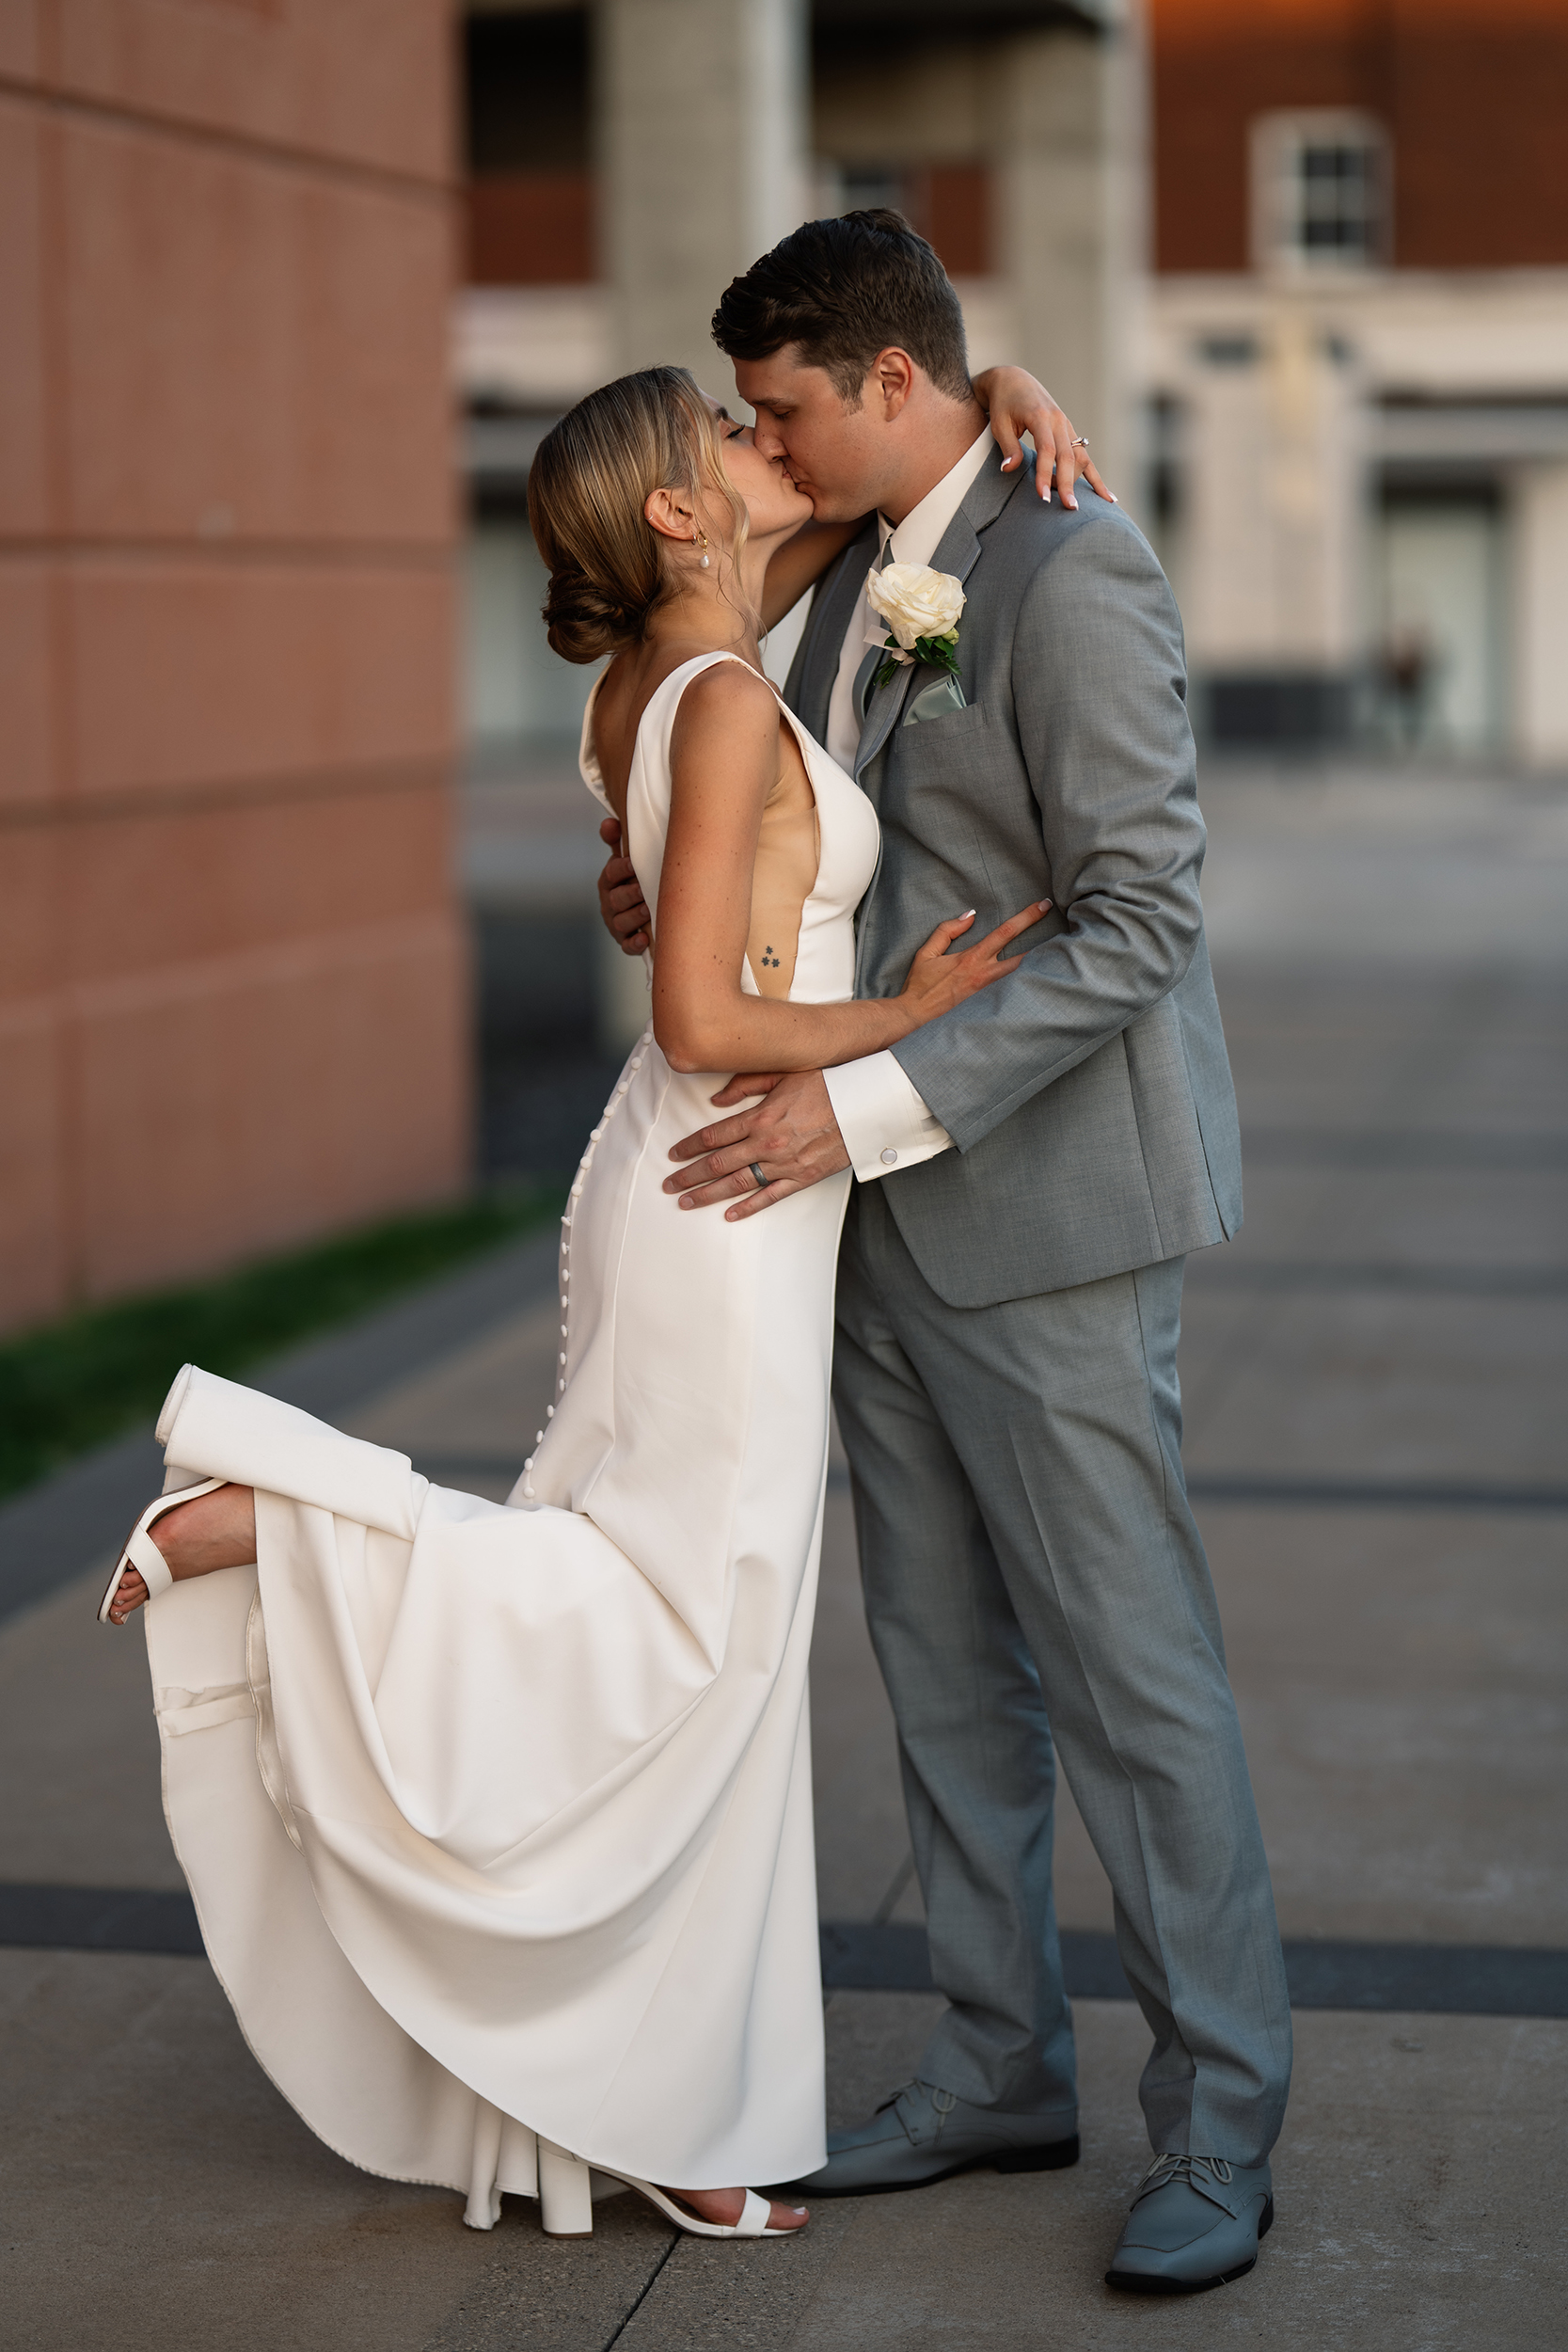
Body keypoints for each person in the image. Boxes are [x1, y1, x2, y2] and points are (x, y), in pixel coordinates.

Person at [95, 356, 1076, 2245]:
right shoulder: (708, 699)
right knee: (683, 1624)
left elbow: (856, 519)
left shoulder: (672, 664)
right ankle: (268, 1524)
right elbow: (701, 1012)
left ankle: (660, 2099)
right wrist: (913, 1017)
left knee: (692, 1626)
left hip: (708, 1188)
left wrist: (992, 386)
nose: (761, 440)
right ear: (674, 514)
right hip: (722, 1184)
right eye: (727, 437)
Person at [596, 209, 1292, 2295]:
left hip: (1042, 1210)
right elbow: (786, 808)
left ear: (886, 382)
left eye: (792, 405)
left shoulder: (1078, 571)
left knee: (1130, 1677)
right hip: (859, 1230)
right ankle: (996, 2058)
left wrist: (873, 1097)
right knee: (938, 1673)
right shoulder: (834, 570)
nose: (767, 445)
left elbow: (1145, 920)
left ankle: (1223, 2118)